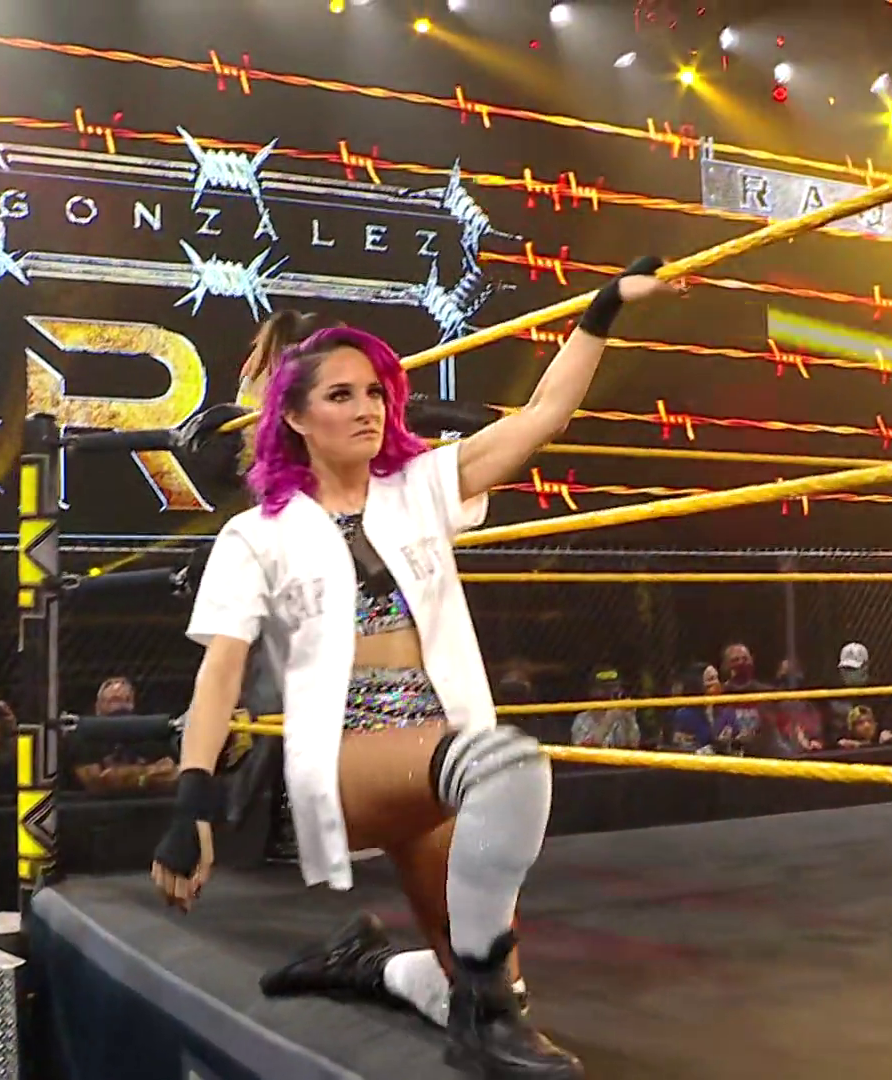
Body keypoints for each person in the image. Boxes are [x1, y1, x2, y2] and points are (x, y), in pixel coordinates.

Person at [151, 258, 684, 1079]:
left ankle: (367, 967)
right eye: (341, 395)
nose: (366, 408)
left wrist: (603, 309)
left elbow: (544, 416)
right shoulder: (256, 534)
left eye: (374, 392)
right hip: (345, 760)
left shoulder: (418, 488)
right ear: (294, 416)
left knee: (483, 971)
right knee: (508, 768)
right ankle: (480, 1020)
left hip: (437, 749)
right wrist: (192, 799)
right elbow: (220, 672)